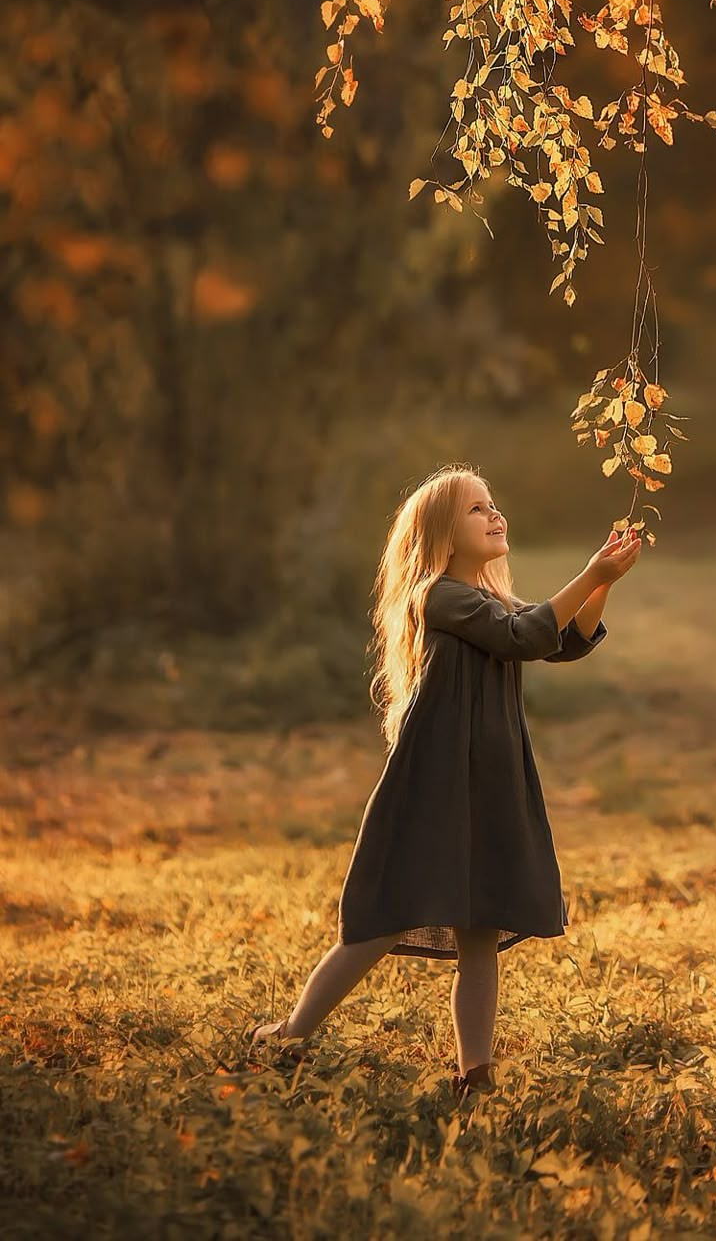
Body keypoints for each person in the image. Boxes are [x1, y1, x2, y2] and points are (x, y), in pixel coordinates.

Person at [249, 463, 642, 1102]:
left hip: (487, 781)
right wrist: (590, 574)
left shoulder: (490, 600)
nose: (495, 515)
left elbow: (562, 641)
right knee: (383, 917)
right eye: (477, 509)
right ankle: (291, 1034)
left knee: (480, 927)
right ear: (441, 535)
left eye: (493, 504)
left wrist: (602, 582)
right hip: (435, 781)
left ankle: (474, 1073)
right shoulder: (438, 595)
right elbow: (523, 637)